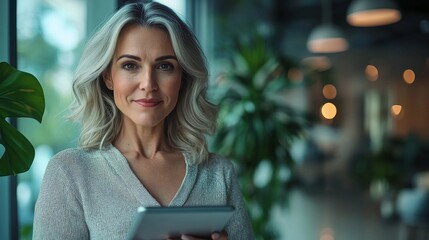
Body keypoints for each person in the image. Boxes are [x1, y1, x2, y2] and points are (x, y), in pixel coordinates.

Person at [32, 1, 254, 240]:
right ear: (108, 76)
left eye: (165, 66)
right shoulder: (70, 173)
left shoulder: (218, 174)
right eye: (130, 65)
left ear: (183, 77)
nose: (148, 83)